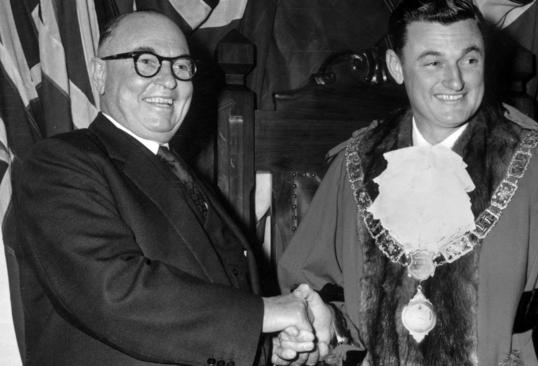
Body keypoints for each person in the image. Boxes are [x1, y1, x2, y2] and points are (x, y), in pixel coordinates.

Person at [277, 0, 538, 365]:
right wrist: (323, 329)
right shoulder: (353, 165)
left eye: (469, 60)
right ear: (396, 67)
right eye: (434, 62)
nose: (455, 81)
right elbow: (316, 295)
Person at [11, 11, 330, 366]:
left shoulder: (185, 175)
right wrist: (263, 315)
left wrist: (270, 349)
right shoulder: (58, 163)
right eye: (146, 61)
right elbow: (110, 290)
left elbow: (217, 297)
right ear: (99, 73)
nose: (168, 81)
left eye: (181, 67)